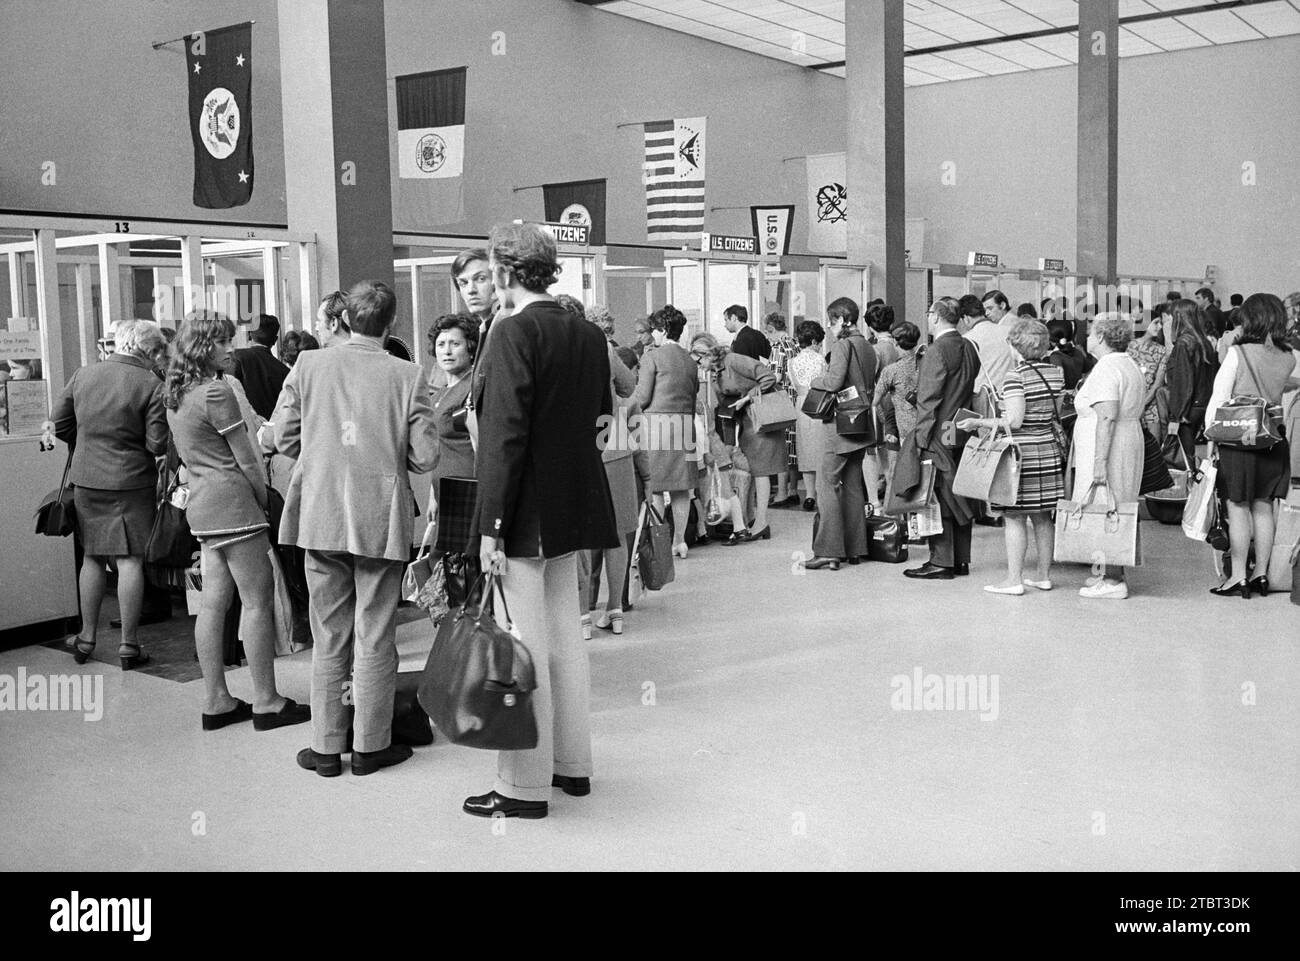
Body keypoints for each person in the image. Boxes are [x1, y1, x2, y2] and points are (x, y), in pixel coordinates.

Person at [466, 222, 618, 820]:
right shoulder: (585, 332)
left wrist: (490, 527)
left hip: (522, 513)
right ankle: (572, 766)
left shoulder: (511, 332)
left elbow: (503, 438)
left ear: (504, 273)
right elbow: (601, 420)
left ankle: (522, 787)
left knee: (520, 648)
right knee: (564, 643)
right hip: (574, 503)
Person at [279, 280, 437, 778]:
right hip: (380, 519)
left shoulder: (308, 365)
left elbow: (284, 438)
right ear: (390, 324)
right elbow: (425, 455)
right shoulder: (408, 374)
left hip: (321, 515)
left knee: (329, 636)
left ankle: (326, 749)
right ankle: (372, 745)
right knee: (375, 633)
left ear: (344, 318)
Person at [163, 310, 310, 731]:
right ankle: (266, 700)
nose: (231, 349)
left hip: (202, 509)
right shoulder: (215, 392)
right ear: (205, 346)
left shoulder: (177, 393)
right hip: (234, 505)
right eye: (224, 342)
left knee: (213, 604)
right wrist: (264, 497)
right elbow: (246, 457)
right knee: (257, 601)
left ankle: (216, 699)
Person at [54, 319, 169, 670]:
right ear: (146, 350)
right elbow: (156, 442)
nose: (158, 359)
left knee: (92, 557)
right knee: (130, 559)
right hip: (131, 483)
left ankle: (87, 637)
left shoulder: (83, 375)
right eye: (157, 352)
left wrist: (87, 443)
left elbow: (59, 423)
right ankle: (128, 645)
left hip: (87, 479)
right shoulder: (151, 384)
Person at [958, 320, 1066, 595]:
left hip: (1022, 454)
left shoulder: (1015, 376)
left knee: (1014, 517)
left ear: (1015, 345)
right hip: (1048, 448)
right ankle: (1043, 575)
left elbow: (1015, 420)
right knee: (1043, 517)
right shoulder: (1056, 372)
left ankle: (1014, 579)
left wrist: (980, 422)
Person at [1207, 293, 1299, 597]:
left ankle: (1237, 576)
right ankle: (1261, 574)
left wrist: (1211, 436)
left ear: (1253, 318)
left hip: (1238, 438)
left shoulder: (1239, 353)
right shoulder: (1289, 356)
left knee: (1237, 506)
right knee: (1263, 506)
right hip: (1272, 437)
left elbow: (1219, 398)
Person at [902, 299, 981, 580]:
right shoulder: (970, 346)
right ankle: (961, 559)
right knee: (960, 489)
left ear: (935, 317)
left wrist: (921, 438)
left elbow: (928, 398)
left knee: (937, 494)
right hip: (962, 425)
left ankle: (941, 561)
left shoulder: (936, 351)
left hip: (937, 429)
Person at [1069, 314, 1146, 600]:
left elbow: (1106, 416)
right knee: (1118, 505)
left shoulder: (1106, 369)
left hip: (1109, 447)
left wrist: (1099, 462)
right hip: (1127, 442)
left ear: (1101, 336)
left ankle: (1113, 579)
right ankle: (1110, 573)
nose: (1087, 336)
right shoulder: (1128, 364)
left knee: (1105, 507)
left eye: (1090, 332)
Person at [805, 297, 877, 570]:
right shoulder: (867, 347)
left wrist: (814, 380)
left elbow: (834, 382)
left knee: (827, 485)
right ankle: (855, 547)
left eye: (831, 321)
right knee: (853, 486)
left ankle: (829, 551)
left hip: (839, 426)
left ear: (843, 321)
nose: (829, 326)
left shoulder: (842, 345)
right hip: (861, 423)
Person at [632, 305, 699, 559]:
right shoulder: (689, 360)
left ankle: (660, 542)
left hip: (657, 426)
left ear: (662, 330)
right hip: (684, 426)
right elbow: (693, 398)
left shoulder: (652, 357)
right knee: (682, 488)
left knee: (657, 488)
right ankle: (679, 542)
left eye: (654, 329)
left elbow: (643, 397)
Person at [716, 343, 783, 545]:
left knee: (761, 469)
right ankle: (754, 519)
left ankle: (761, 523)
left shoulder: (733, 360)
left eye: (699, 358)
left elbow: (769, 377)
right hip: (748, 421)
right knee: (754, 468)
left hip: (761, 418)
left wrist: (747, 398)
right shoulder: (717, 370)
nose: (698, 364)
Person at [426, 313, 479, 498]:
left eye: (455, 344)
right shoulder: (439, 393)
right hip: (443, 492)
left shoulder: (474, 387)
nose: (447, 351)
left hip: (468, 490)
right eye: (441, 344)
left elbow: (482, 446)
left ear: (470, 348)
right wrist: (433, 494)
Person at [1164, 298, 1218, 464]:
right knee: (1189, 455)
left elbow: (1182, 382)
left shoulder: (1184, 343)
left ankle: (1190, 486)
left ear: (1178, 317)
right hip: (1201, 405)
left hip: (1186, 409)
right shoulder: (1205, 343)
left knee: (1183, 460)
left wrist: (1176, 416)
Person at [873, 320, 922, 481]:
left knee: (902, 472)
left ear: (895, 342)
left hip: (903, 428)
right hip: (925, 425)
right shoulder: (925, 364)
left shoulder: (891, 371)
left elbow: (875, 399)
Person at [790, 320, 831, 512]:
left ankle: (808, 495)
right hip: (818, 401)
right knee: (821, 449)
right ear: (814, 341)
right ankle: (822, 494)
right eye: (819, 342)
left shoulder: (792, 362)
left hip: (800, 403)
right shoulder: (820, 359)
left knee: (805, 448)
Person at [231, 314, 288, 420]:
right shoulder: (285, 371)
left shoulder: (236, 358)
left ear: (249, 335)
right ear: (275, 340)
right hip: (271, 431)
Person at [964, 291, 1015, 397]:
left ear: (1002, 305)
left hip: (992, 393)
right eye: (985, 309)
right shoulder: (1003, 327)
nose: (987, 313)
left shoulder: (1013, 327)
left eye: (990, 308)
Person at [1127, 307, 1169, 439]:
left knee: (1154, 449)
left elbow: (1158, 383)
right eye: (1156, 323)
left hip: (1150, 405)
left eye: (1160, 323)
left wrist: (1143, 404)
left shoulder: (1161, 351)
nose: (1160, 326)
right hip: (1128, 403)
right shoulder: (1128, 347)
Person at [1046, 317, 1094, 390]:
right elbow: (1090, 370)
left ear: (1051, 340)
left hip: (1063, 397)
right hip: (1076, 394)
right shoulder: (1078, 352)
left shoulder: (1055, 356)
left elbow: (1058, 380)